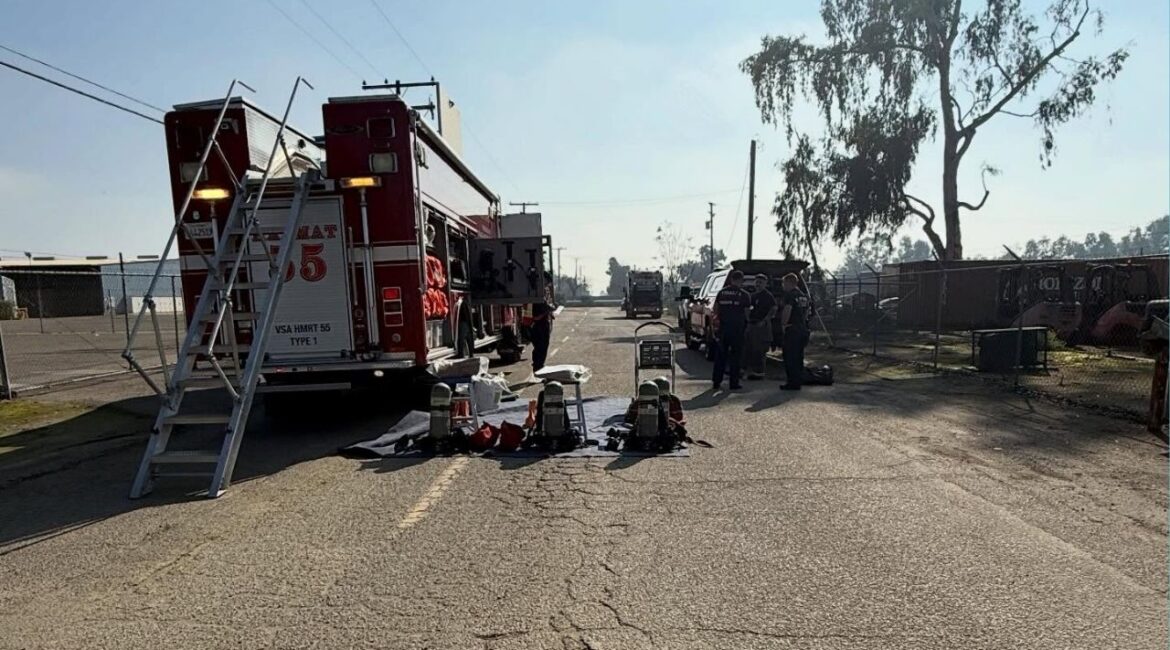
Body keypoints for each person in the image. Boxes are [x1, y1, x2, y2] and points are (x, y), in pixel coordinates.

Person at [712, 270, 751, 390]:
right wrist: (748, 324)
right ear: (741, 280)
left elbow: (715, 310)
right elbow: (747, 313)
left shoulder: (722, 293)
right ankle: (734, 383)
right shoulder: (744, 295)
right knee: (736, 357)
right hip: (737, 329)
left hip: (723, 329)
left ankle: (716, 382)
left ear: (731, 280)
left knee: (721, 356)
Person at [778, 273, 810, 391]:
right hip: (802, 328)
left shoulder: (790, 296)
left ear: (789, 282)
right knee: (799, 356)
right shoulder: (804, 296)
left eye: (783, 283)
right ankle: (798, 381)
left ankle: (791, 382)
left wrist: (783, 324)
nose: (783, 286)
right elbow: (807, 312)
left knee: (790, 357)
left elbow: (787, 310)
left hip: (792, 329)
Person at [745, 274, 777, 380]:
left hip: (762, 326)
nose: (758, 284)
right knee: (750, 349)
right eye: (757, 282)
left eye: (761, 282)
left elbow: (773, 309)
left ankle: (759, 372)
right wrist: (747, 318)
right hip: (752, 325)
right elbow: (748, 308)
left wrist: (765, 320)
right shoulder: (752, 296)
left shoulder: (768, 296)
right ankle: (751, 371)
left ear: (765, 284)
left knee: (760, 350)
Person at [530, 275, 555, 373]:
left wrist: (550, 312)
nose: (548, 287)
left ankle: (539, 368)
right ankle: (538, 369)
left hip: (544, 324)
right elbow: (536, 316)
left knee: (543, 346)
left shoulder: (542, 294)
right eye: (547, 283)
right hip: (539, 326)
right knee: (540, 347)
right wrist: (547, 311)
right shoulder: (537, 296)